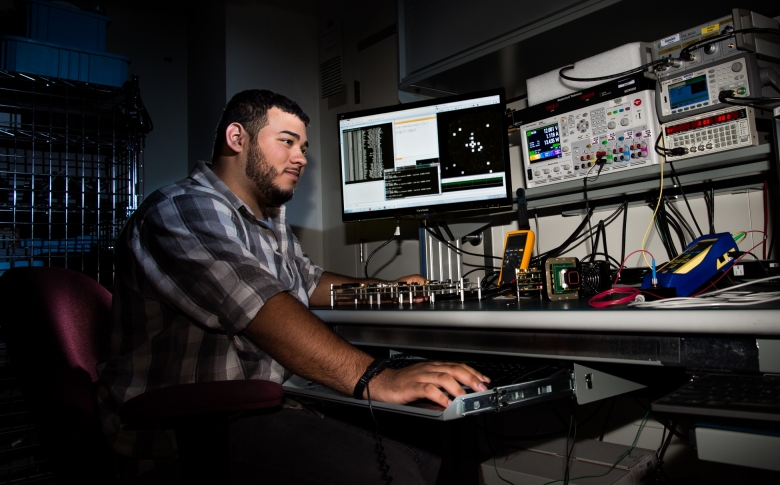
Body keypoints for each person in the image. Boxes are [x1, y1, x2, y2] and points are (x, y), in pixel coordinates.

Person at [96, 89, 489, 483]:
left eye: (302, 146)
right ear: (237, 138)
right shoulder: (182, 208)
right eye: (287, 141)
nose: (301, 157)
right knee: (393, 470)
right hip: (190, 429)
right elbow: (262, 307)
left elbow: (310, 280)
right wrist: (375, 378)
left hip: (270, 404)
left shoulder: (266, 221)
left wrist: (385, 288)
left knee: (440, 435)